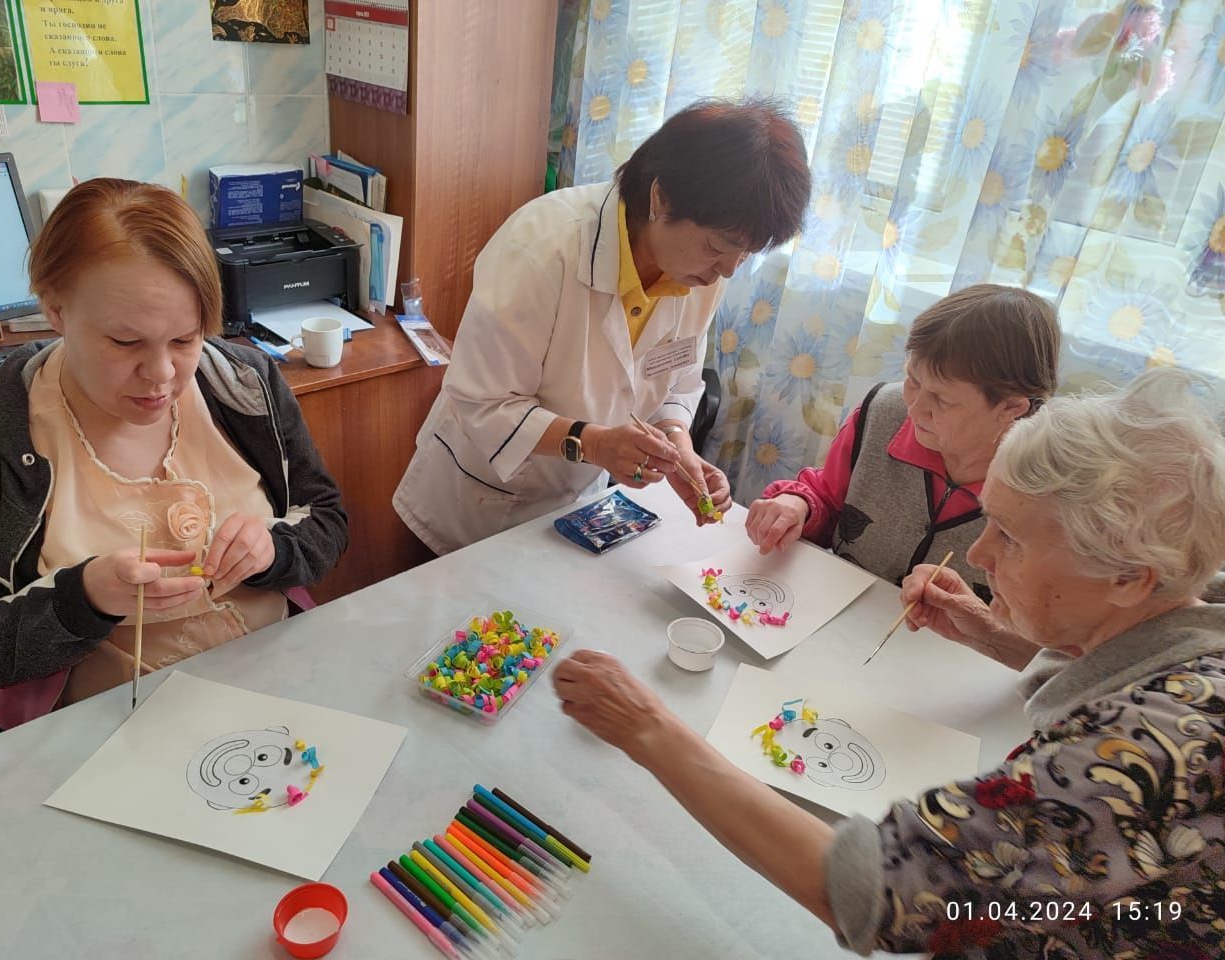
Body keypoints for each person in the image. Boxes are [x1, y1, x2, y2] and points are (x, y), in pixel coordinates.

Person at [554, 368, 1225, 958]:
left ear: (1130, 577)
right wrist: (993, 634)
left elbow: (869, 889)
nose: (983, 558)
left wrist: (647, 727)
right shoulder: (1189, 610)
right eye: (988, 522)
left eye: (1012, 539)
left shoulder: (1131, 759)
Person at [0, 179, 347, 728]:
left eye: (185, 339)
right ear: (55, 309)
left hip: (273, 682)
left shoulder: (244, 386)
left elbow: (326, 518)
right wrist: (82, 599)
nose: (161, 376)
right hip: (105, 728)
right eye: (125, 343)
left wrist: (274, 550)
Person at [394, 99, 811, 554]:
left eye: (746, 254)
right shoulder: (543, 247)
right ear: (660, 197)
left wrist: (677, 447)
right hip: (477, 502)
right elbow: (483, 403)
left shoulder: (701, 271)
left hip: (573, 506)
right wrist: (591, 443)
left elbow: (676, 381)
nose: (728, 270)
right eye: (718, 246)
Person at [745, 284, 1059, 604]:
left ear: (1011, 409)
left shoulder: (1049, 489)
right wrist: (798, 506)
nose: (915, 408)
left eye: (942, 399)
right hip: (835, 617)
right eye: (913, 379)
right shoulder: (884, 411)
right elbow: (828, 497)